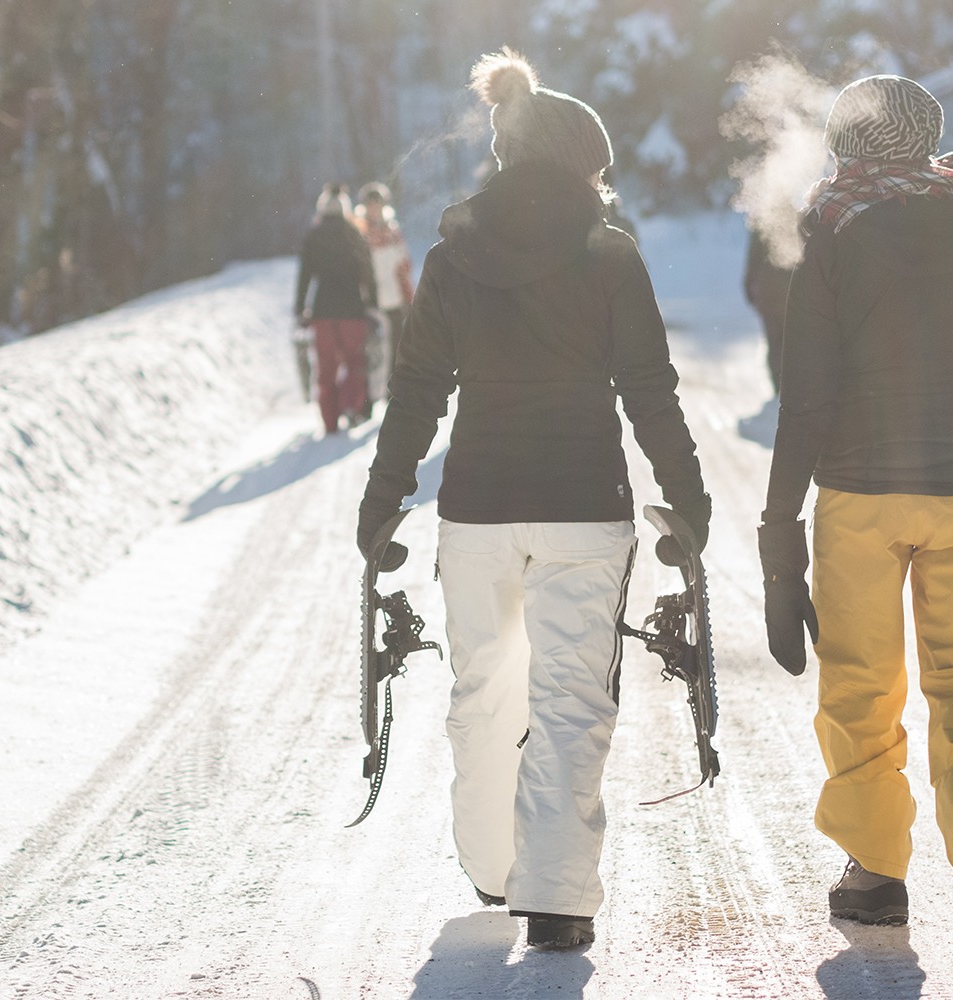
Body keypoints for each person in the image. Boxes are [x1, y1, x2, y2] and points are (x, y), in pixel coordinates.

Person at [356, 48, 710, 952]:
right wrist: (688, 496)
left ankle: (491, 866)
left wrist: (383, 497)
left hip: (477, 507)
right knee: (569, 697)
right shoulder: (611, 255)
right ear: (584, 165)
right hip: (585, 506)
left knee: (483, 691)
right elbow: (649, 388)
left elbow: (418, 389)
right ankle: (555, 897)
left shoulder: (451, 255)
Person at [755, 75, 953, 941]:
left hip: (861, 492)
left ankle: (873, 871)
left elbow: (809, 395)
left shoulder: (832, 223)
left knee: (862, 681)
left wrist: (778, 529)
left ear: (845, 143)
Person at [295, 183, 378, 433]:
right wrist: (372, 303)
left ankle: (330, 421)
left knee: (326, 368)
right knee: (354, 362)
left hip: (322, 313)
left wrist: (301, 308)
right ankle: (351, 406)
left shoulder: (313, 236)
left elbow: (305, 276)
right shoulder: (354, 233)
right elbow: (368, 273)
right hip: (353, 310)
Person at [355, 182, 415, 412]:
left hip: (394, 300)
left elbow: (404, 266)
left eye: (378, 204)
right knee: (372, 352)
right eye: (371, 205)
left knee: (395, 350)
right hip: (371, 302)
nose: (375, 209)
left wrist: (408, 297)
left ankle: (392, 395)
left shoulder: (393, 232)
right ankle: (367, 399)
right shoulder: (360, 234)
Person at [743, 227, 792, 395]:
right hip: (789, 292)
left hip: (767, 292)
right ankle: (788, 383)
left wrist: (749, 288)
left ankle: (777, 383)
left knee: (773, 340)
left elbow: (752, 260)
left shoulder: (762, 223)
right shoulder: (795, 218)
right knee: (791, 340)